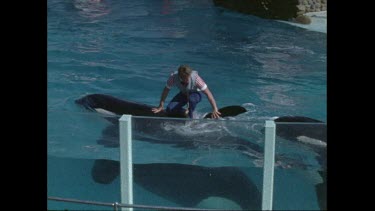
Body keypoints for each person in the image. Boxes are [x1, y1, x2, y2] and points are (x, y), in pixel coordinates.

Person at [152, 65, 221, 119]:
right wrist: (161, 106)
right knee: (169, 110)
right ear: (180, 76)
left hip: (196, 94)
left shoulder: (196, 79)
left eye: (188, 77)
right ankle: (185, 112)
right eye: (185, 78)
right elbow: (166, 90)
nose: (188, 80)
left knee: (192, 99)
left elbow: (208, 93)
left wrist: (215, 109)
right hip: (184, 94)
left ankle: (191, 118)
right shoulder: (173, 77)